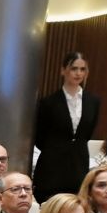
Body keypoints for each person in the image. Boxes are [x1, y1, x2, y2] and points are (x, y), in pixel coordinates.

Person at [31, 50, 99, 198]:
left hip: (79, 163)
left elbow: (87, 133)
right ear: (63, 70)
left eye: (82, 69)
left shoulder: (93, 101)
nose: (78, 73)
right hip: (52, 164)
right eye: (74, 68)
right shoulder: (48, 102)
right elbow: (40, 137)